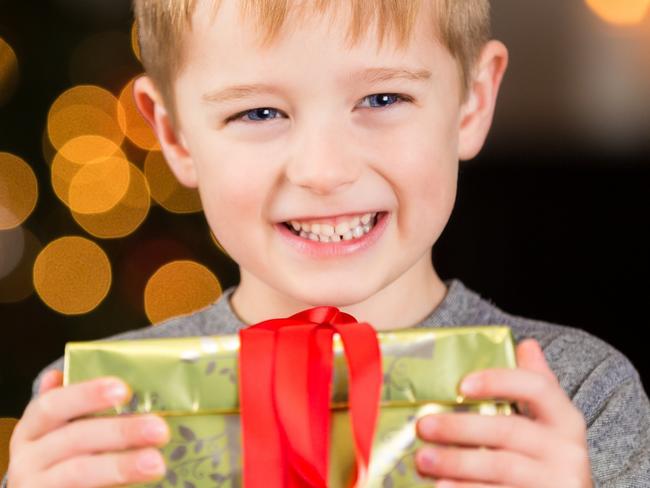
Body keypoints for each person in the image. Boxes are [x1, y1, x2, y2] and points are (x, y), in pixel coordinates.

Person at [4, 0, 650, 486]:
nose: (324, 170)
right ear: (173, 135)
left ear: (472, 103)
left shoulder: (578, 397)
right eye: (258, 113)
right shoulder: (89, 419)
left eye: (382, 97)